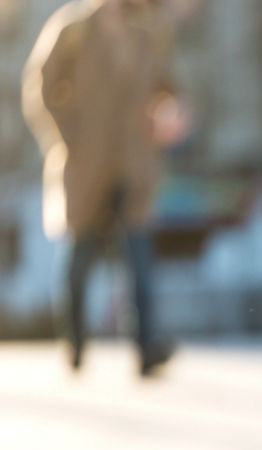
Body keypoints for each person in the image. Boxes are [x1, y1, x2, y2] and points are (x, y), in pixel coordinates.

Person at [22, 0, 188, 377]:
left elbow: (168, 86)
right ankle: (76, 341)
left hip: (133, 163)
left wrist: (172, 111)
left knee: (139, 260)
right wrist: (70, 138)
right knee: (80, 259)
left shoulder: (147, 32)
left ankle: (146, 348)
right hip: (86, 164)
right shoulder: (72, 29)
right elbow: (40, 90)